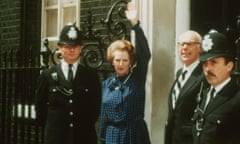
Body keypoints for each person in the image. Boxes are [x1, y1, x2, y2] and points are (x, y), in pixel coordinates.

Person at [35, 23, 101, 144]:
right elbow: (40, 110)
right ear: (59, 47)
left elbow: (94, 111)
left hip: (83, 138)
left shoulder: (91, 77)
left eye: (75, 46)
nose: (72, 49)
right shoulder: (47, 76)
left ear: (81, 48)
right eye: (67, 46)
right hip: (56, 139)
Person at [99, 2, 151, 144]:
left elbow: (145, 54)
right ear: (112, 61)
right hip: (112, 135)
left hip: (134, 135)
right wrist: (102, 138)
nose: (121, 64)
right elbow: (103, 115)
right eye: (117, 60)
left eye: (124, 60)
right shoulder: (106, 84)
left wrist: (135, 25)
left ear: (130, 62)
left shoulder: (137, 79)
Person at [192, 30, 240, 144]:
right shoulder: (203, 95)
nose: (208, 69)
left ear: (229, 66)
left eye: (214, 62)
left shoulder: (236, 99)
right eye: (205, 64)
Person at [165, 30, 205, 144]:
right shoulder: (180, 73)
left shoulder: (203, 75)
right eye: (181, 44)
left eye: (190, 44)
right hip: (173, 137)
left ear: (199, 48)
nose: (184, 48)